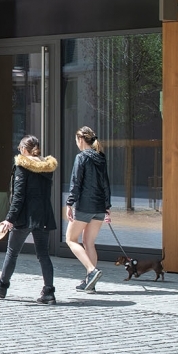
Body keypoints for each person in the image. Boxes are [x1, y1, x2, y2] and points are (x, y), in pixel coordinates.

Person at [0, 135, 58, 304]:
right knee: (43, 254)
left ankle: (2, 285)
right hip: (43, 216)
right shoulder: (47, 167)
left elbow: (18, 196)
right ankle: (49, 292)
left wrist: (9, 219)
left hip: (25, 216)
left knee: (12, 252)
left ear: (24, 149)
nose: (19, 151)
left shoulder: (22, 166)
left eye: (20, 149)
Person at [65, 125, 111, 292]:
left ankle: (92, 271)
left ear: (81, 139)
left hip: (85, 206)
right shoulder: (101, 157)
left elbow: (76, 182)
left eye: (76, 140)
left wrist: (69, 203)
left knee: (71, 239)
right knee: (89, 243)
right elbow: (106, 183)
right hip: (99, 207)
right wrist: (107, 206)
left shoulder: (81, 157)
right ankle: (90, 284)